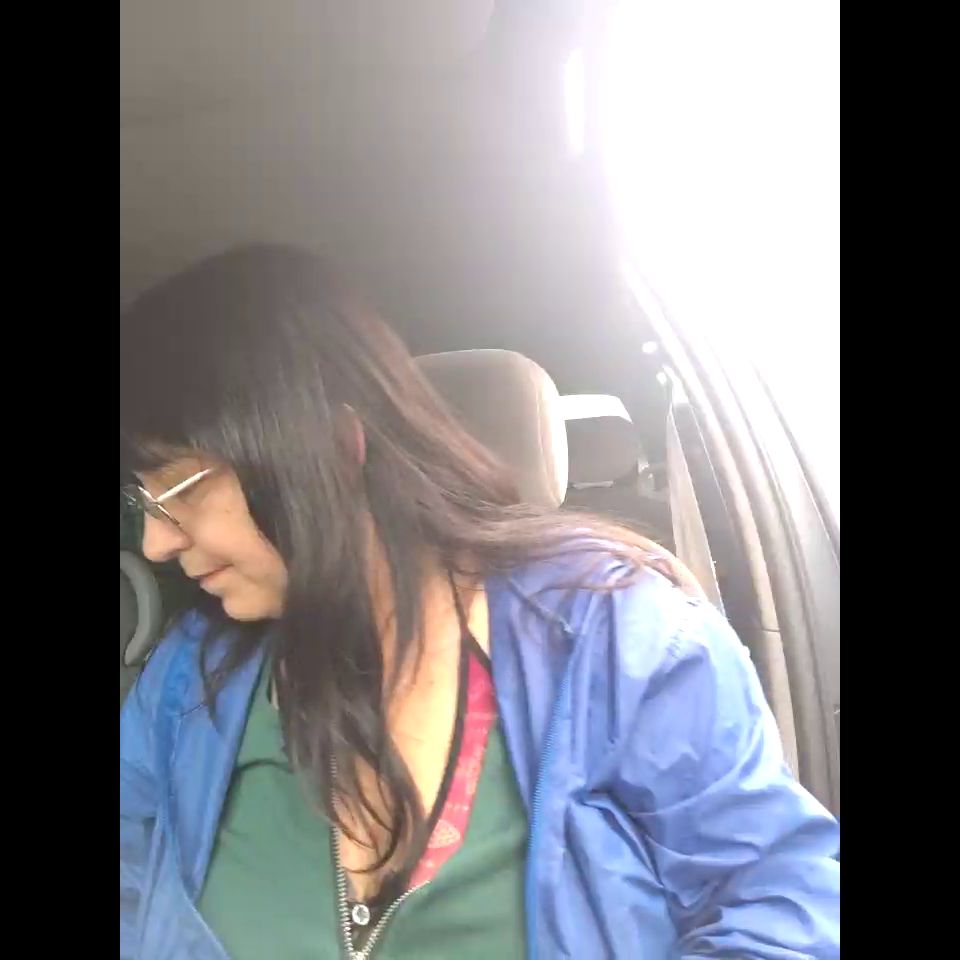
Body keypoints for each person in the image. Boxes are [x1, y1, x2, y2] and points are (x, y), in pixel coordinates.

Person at [119, 244, 840, 960]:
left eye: (182, 489)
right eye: (145, 501)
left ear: (336, 448)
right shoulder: (189, 679)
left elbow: (778, 900)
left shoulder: (620, 638)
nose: (155, 542)